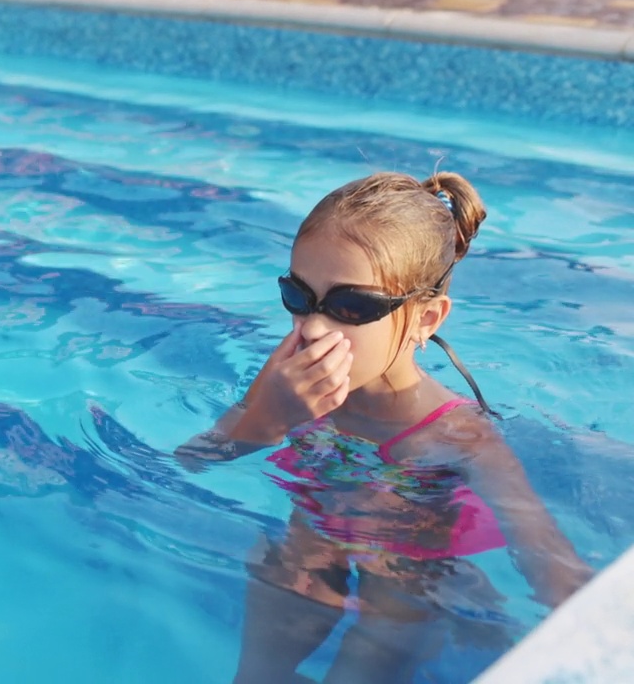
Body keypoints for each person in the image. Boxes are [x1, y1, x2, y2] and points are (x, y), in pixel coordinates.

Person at [174, 172, 594, 684]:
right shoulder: (287, 380)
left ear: (425, 319)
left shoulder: (458, 435)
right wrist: (268, 417)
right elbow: (194, 458)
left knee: (388, 617)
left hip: (404, 583)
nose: (314, 328)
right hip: (308, 555)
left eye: (353, 307)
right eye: (298, 296)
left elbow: (548, 562)